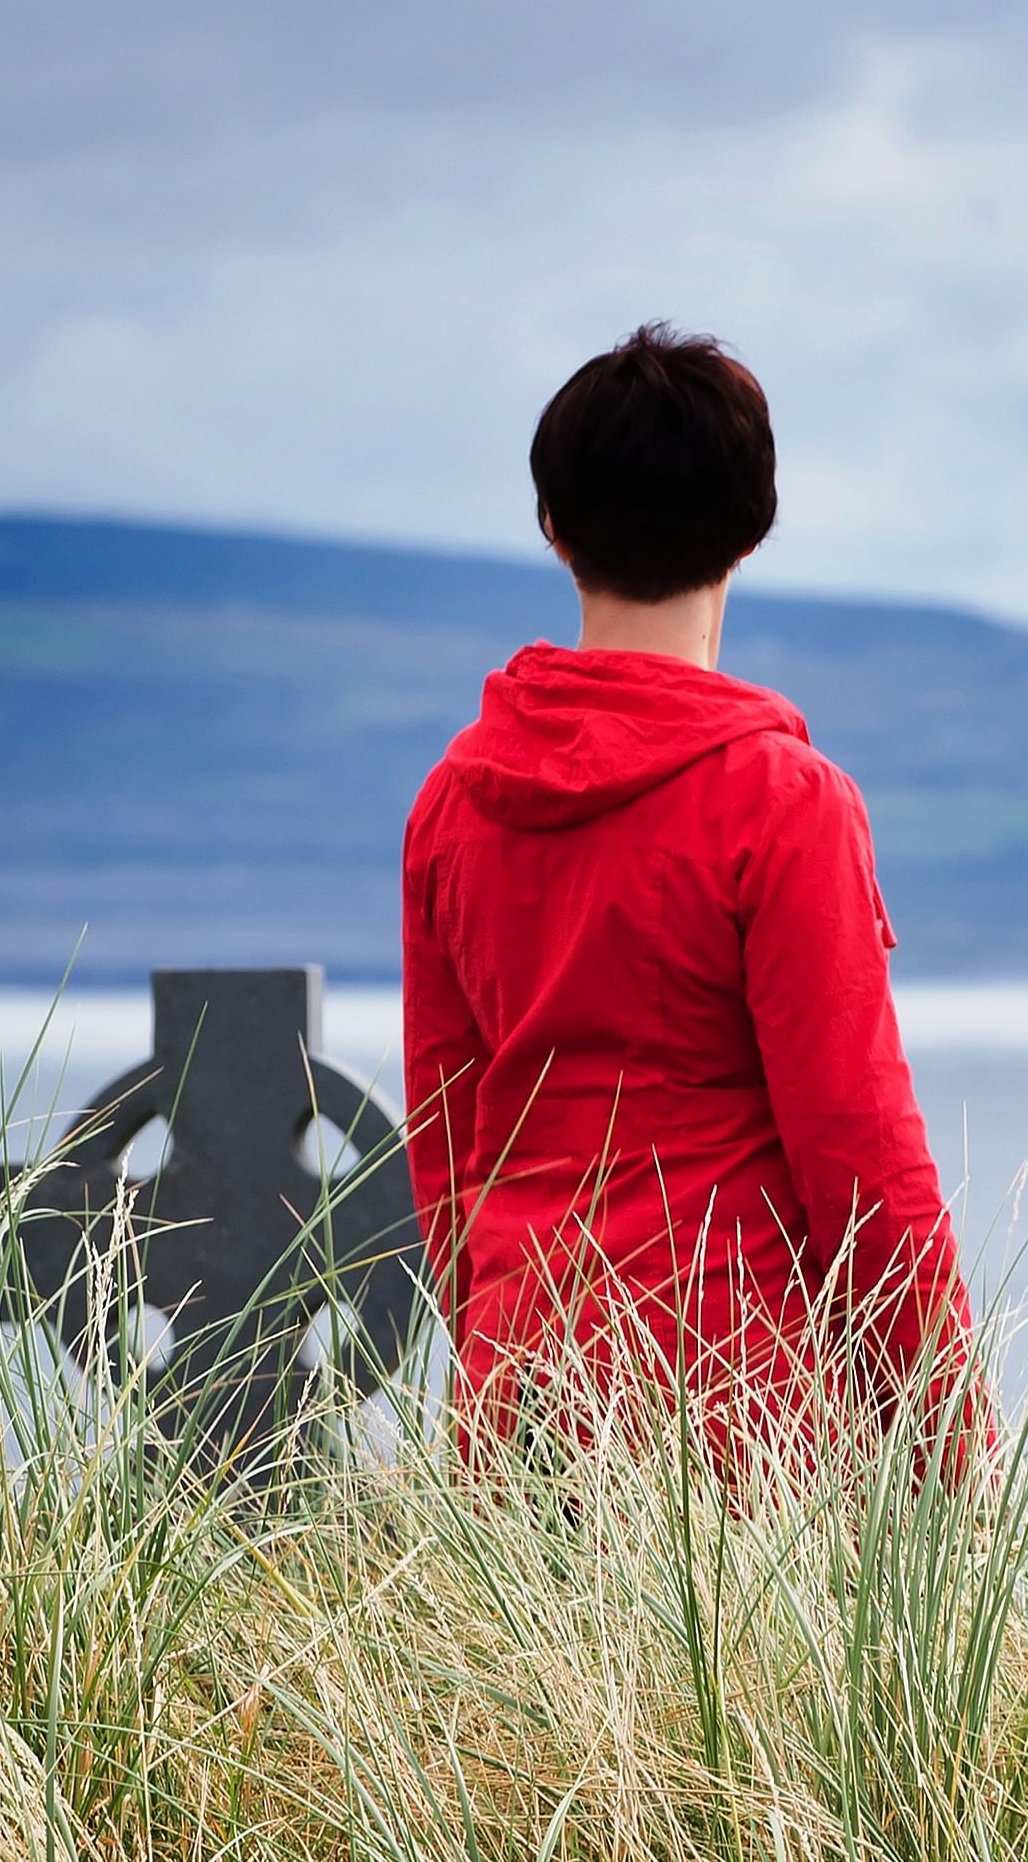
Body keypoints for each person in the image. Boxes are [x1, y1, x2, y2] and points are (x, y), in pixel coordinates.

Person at [400, 326, 977, 1462]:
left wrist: (490, 1351)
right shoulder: (783, 801)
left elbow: (447, 1141)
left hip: (520, 1398)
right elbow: (859, 1153)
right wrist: (948, 1440)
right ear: (753, 526)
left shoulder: (451, 805)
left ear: (555, 528)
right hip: (737, 1412)